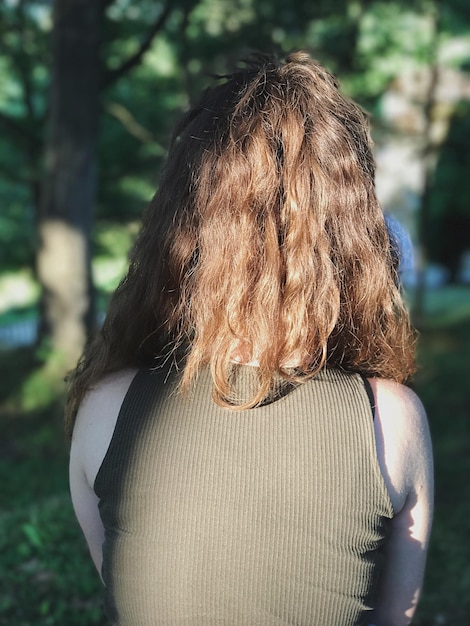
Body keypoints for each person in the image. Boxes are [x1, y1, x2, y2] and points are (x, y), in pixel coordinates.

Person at [67, 51, 433, 626]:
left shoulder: (104, 411)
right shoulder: (393, 423)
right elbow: (394, 618)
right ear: (354, 232)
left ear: (182, 229)